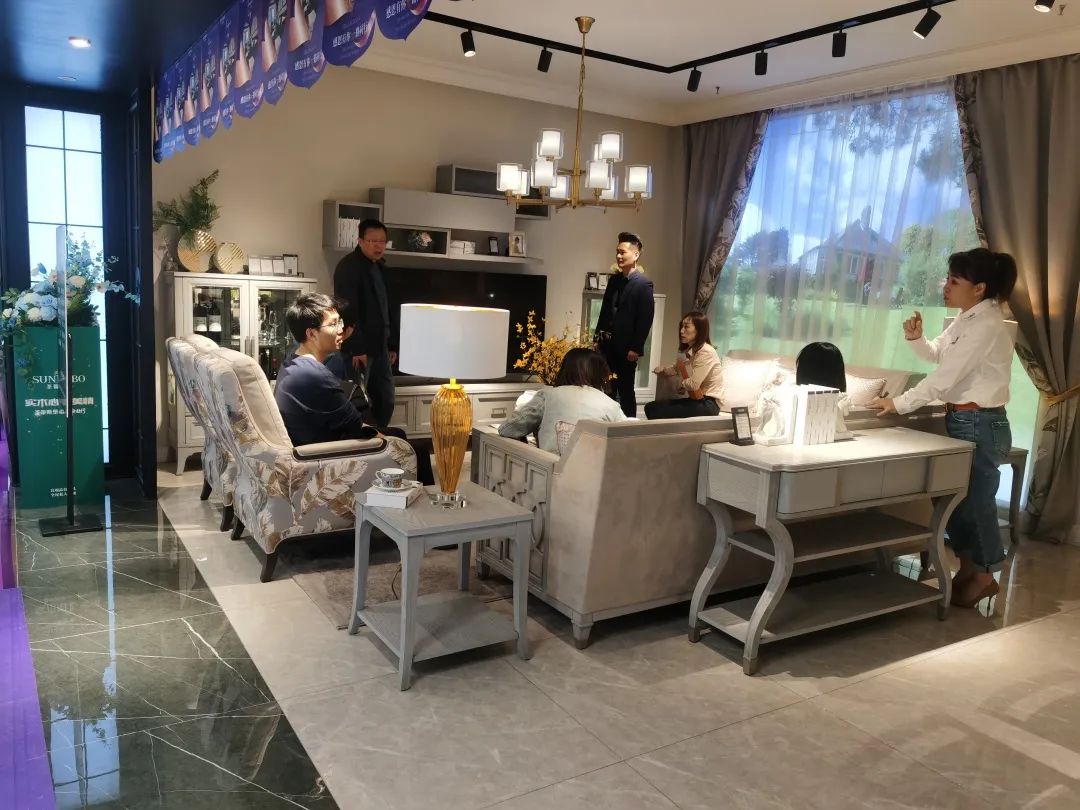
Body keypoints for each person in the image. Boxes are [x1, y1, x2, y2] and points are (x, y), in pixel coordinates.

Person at [872, 248, 1018, 608]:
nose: (946, 286)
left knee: (977, 503)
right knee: (956, 500)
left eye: (954, 280)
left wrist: (899, 403)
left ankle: (985, 575)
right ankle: (969, 567)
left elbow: (944, 378)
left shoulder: (987, 325)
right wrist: (917, 339)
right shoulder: (968, 318)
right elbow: (938, 353)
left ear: (979, 288)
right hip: (964, 419)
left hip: (981, 421)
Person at [275, 293, 433, 483]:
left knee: (398, 434)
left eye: (340, 322)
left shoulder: (291, 363)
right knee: (416, 451)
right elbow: (356, 426)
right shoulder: (315, 375)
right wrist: (396, 450)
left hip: (313, 444)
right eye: (333, 324)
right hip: (325, 457)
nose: (341, 329)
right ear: (311, 334)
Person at [333, 218, 398, 429]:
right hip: (359, 349)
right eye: (373, 241)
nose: (379, 246)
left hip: (381, 345)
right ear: (360, 241)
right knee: (358, 399)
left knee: (385, 398)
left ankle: (379, 438)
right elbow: (346, 309)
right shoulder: (348, 267)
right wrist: (356, 347)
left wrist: (392, 344)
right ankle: (361, 439)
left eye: (382, 241)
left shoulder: (381, 267)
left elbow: (388, 308)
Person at [498, 348, 627, 453]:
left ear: (564, 370)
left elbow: (508, 429)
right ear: (600, 374)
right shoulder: (611, 405)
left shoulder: (548, 396)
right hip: (596, 474)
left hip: (551, 471)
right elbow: (629, 440)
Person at [594, 232, 654, 417]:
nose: (619, 256)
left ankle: (629, 425)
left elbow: (645, 318)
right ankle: (608, 422)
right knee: (608, 387)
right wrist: (597, 338)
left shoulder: (644, 284)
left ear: (636, 254)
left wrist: (636, 347)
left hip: (627, 348)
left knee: (626, 388)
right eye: (617, 252)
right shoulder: (614, 280)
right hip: (607, 345)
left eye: (623, 252)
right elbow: (604, 311)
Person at [645, 311, 722, 419]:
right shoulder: (691, 351)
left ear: (699, 330)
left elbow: (693, 384)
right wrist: (664, 369)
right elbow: (676, 368)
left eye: (686, 327)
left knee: (653, 409)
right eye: (682, 326)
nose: (681, 331)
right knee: (651, 407)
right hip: (697, 400)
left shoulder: (706, 352)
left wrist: (681, 385)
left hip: (709, 404)